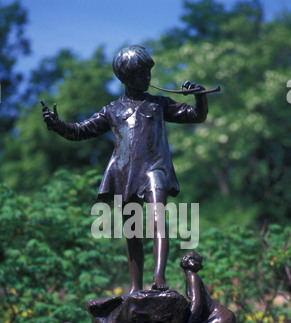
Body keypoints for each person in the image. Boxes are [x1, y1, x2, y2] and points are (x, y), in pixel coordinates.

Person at [41, 45, 208, 293]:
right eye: (142, 74)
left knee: (158, 219)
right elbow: (80, 131)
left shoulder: (158, 104)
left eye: (149, 72)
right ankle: (134, 287)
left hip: (155, 169)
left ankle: (159, 278)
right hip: (124, 173)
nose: (148, 78)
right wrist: (57, 125)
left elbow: (196, 115)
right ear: (127, 78)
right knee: (132, 232)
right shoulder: (112, 110)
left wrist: (199, 96)